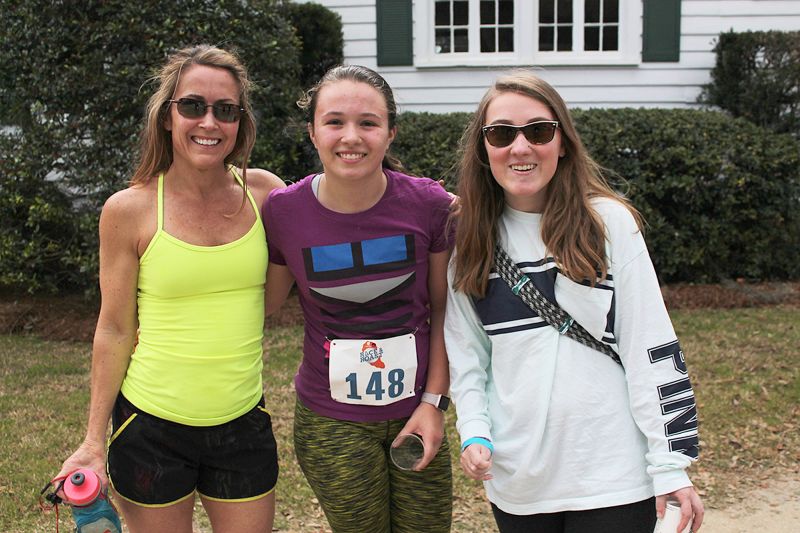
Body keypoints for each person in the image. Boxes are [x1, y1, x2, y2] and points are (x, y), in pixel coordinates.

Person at [444, 72, 705, 533]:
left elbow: (652, 346)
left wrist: (669, 464)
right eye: (502, 133)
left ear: (562, 141)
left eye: (538, 131)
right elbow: (467, 357)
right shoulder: (468, 241)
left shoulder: (608, 224)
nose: (520, 147)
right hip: (518, 479)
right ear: (484, 149)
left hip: (612, 474)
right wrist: (475, 432)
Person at [54, 44, 285, 532]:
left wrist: (434, 203)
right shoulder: (128, 210)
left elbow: (341, 206)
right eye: (193, 105)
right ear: (166, 115)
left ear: (240, 122)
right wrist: (94, 440)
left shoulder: (265, 194)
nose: (209, 122)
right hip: (150, 427)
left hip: (242, 422)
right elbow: (114, 329)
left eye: (226, 110)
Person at [262, 65, 453, 533]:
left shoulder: (429, 205)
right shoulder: (284, 212)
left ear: (391, 133)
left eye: (368, 122)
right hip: (332, 423)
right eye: (334, 122)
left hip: (415, 410)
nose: (352, 137)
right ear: (312, 132)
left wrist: (434, 402)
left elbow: (447, 310)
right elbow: (263, 306)